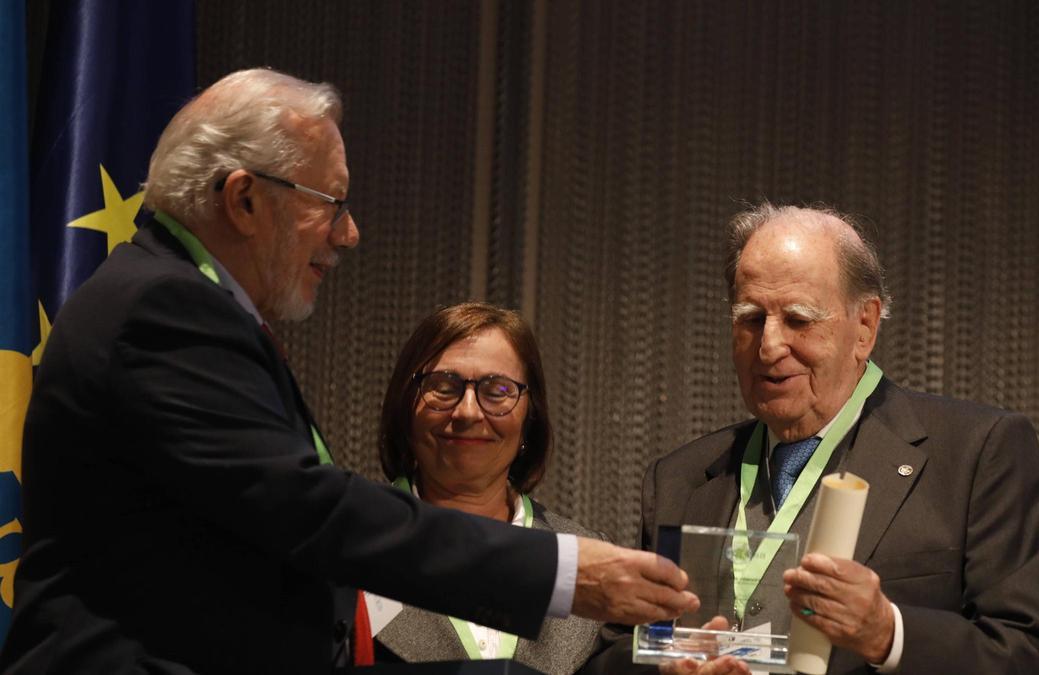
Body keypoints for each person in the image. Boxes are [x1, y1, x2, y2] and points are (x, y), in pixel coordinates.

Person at [0, 68, 696, 675]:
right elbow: (310, 510)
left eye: (499, 391)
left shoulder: (174, 300)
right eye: (330, 202)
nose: (349, 231)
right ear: (244, 198)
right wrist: (562, 569)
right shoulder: (164, 309)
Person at [635, 204, 1039, 674]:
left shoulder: (977, 452)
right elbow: (617, 653)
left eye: (799, 319)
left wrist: (888, 633)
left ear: (864, 327)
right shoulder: (679, 479)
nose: (769, 345)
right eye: (751, 318)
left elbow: (1036, 659)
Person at [358, 302, 606, 674]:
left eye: (498, 390)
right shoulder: (348, 543)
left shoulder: (590, 559)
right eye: (443, 386)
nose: (469, 412)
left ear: (529, 417)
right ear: (404, 407)